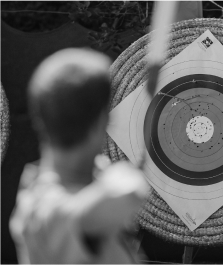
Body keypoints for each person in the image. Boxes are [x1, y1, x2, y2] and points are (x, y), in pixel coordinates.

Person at [9, 48, 149, 265]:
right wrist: (129, 178)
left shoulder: (87, 176)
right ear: (101, 123)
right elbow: (106, 204)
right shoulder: (45, 210)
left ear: (39, 118)